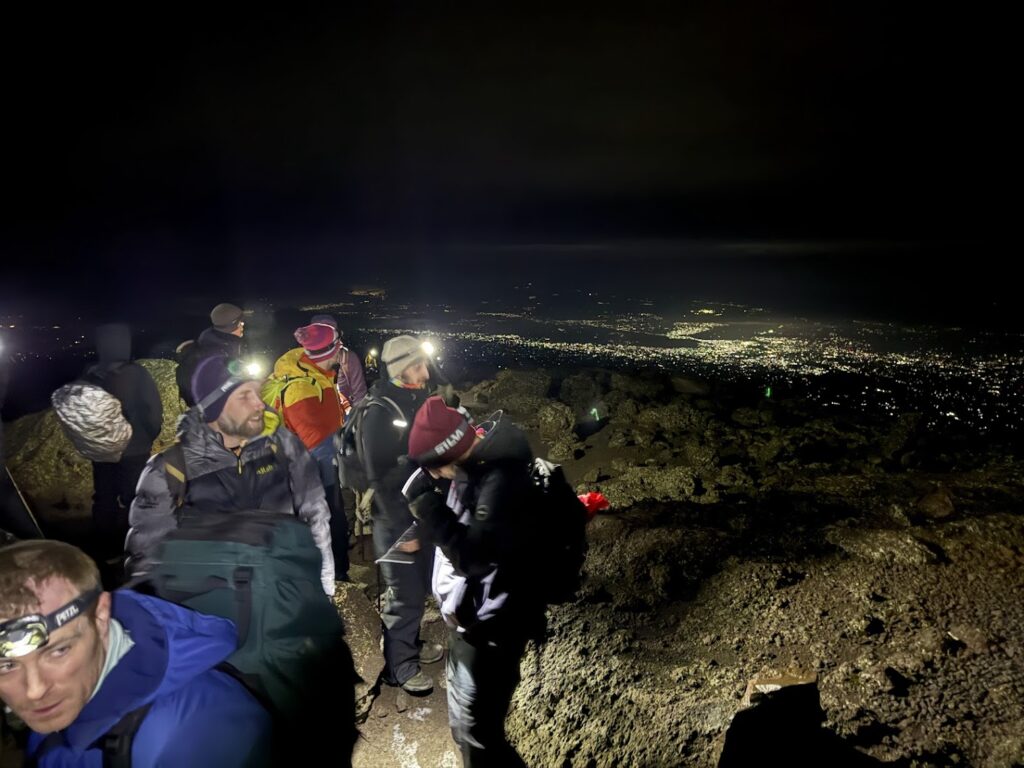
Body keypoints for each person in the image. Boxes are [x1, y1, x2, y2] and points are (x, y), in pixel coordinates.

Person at [0, 540, 269, 766]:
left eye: (59, 651)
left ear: (101, 615)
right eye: (7, 665)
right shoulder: (64, 701)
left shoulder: (202, 733)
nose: (34, 691)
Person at [404, 396, 545, 767]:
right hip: (472, 623)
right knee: (468, 729)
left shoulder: (500, 481)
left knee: (478, 737)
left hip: (492, 631)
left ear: (448, 455)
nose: (433, 476)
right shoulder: (476, 464)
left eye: (433, 468)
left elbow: (475, 559)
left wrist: (429, 510)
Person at [126, 355, 335, 595]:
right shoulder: (171, 469)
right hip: (209, 614)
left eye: (257, 393)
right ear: (215, 408)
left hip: (280, 605)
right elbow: (147, 562)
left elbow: (315, 515)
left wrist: (323, 587)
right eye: (244, 396)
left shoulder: (284, 448)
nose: (259, 404)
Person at [362, 335, 441, 693]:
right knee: (404, 594)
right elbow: (379, 478)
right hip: (394, 518)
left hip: (417, 514)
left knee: (419, 587)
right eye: (420, 365)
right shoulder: (379, 412)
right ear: (403, 368)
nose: (426, 372)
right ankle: (400, 668)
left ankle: (409, 648)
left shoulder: (415, 398)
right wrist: (405, 529)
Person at [267, 321, 350, 580]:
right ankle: (335, 577)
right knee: (328, 517)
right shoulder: (301, 387)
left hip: (315, 462)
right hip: (314, 469)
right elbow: (315, 440)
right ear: (330, 351)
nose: (341, 350)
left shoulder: (315, 374)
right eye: (338, 346)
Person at [83, 324, 162, 561]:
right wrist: (149, 436)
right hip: (134, 448)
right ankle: (133, 547)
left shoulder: (91, 373)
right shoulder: (137, 374)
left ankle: (105, 548)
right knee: (134, 497)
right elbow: (153, 412)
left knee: (104, 496)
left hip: (102, 450)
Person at [175, 303, 246, 406]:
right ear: (232, 326)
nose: (243, 326)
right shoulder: (216, 355)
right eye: (241, 323)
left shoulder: (213, 341)